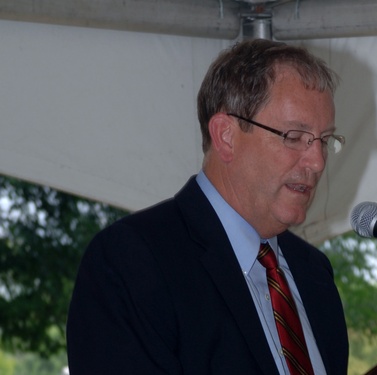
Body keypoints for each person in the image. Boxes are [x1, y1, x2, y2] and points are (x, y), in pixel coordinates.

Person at [66, 38, 349, 374]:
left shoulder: (313, 273)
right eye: (294, 137)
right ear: (226, 136)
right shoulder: (132, 262)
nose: (317, 162)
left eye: (325, 140)